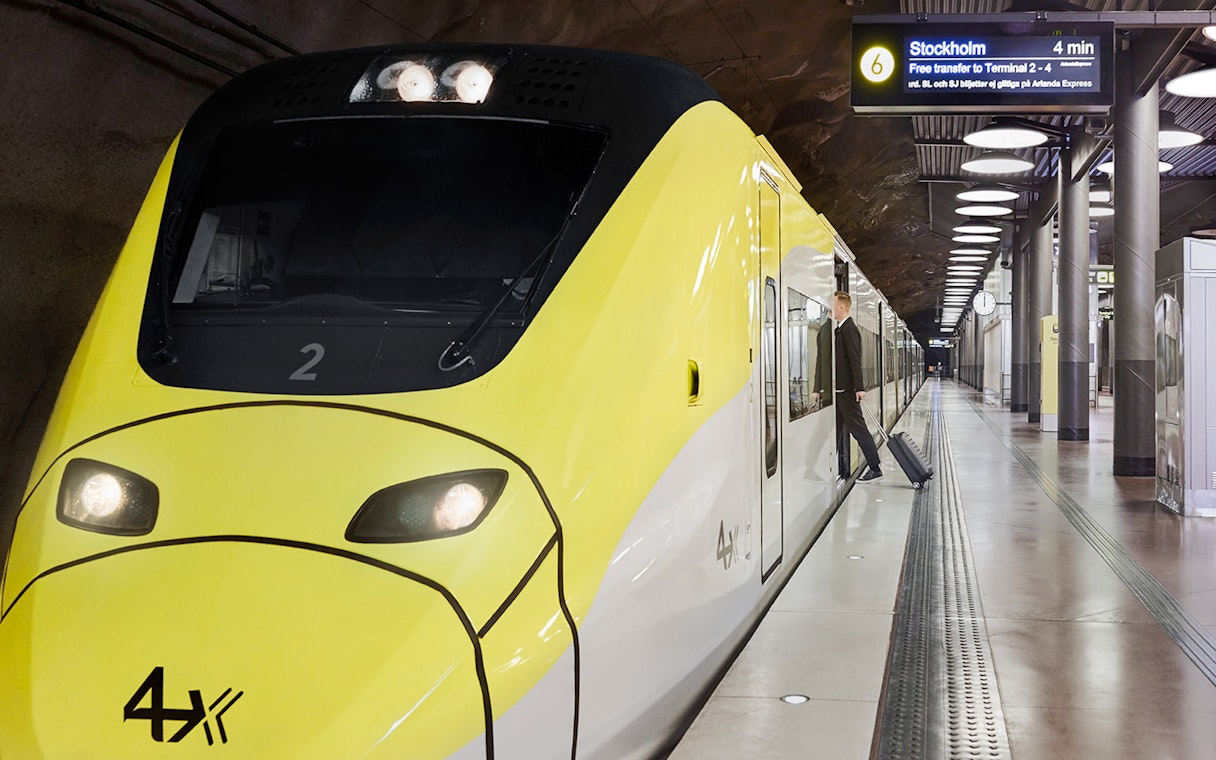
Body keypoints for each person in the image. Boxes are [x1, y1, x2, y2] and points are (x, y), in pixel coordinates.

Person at [832, 291, 883, 481]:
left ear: (842, 307)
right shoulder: (840, 329)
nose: (831, 307)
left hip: (848, 392)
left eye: (834, 303)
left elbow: (855, 360)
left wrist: (859, 388)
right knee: (835, 432)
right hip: (840, 391)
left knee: (859, 430)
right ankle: (830, 465)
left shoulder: (849, 329)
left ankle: (875, 467)